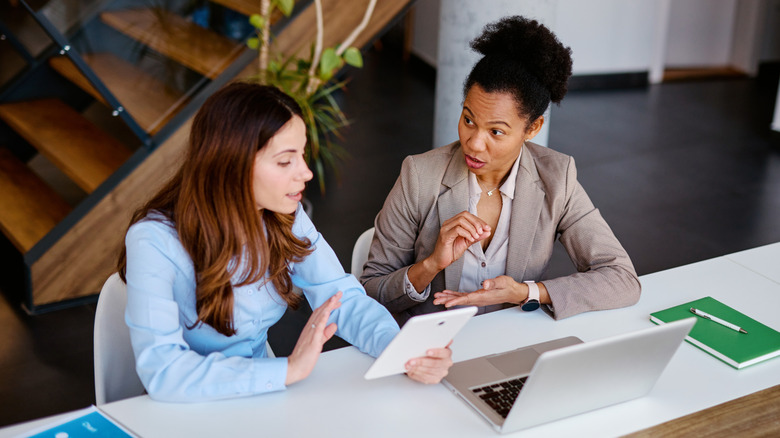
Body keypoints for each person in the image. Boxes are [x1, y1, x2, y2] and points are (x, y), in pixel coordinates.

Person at [117, 82, 451, 402]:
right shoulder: (154, 240)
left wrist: (401, 350)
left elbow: (342, 298)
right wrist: (287, 370)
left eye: (302, 155)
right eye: (284, 161)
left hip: (265, 394)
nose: (305, 173)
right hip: (194, 406)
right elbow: (164, 371)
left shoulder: (283, 214)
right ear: (231, 163)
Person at [361, 16, 640, 325]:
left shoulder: (557, 178)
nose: (474, 144)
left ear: (532, 128)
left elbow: (621, 279)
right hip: (427, 347)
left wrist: (526, 292)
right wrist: (430, 265)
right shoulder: (420, 176)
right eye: (468, 120)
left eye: (496, 132)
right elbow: (370, 289)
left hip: (508, 344)